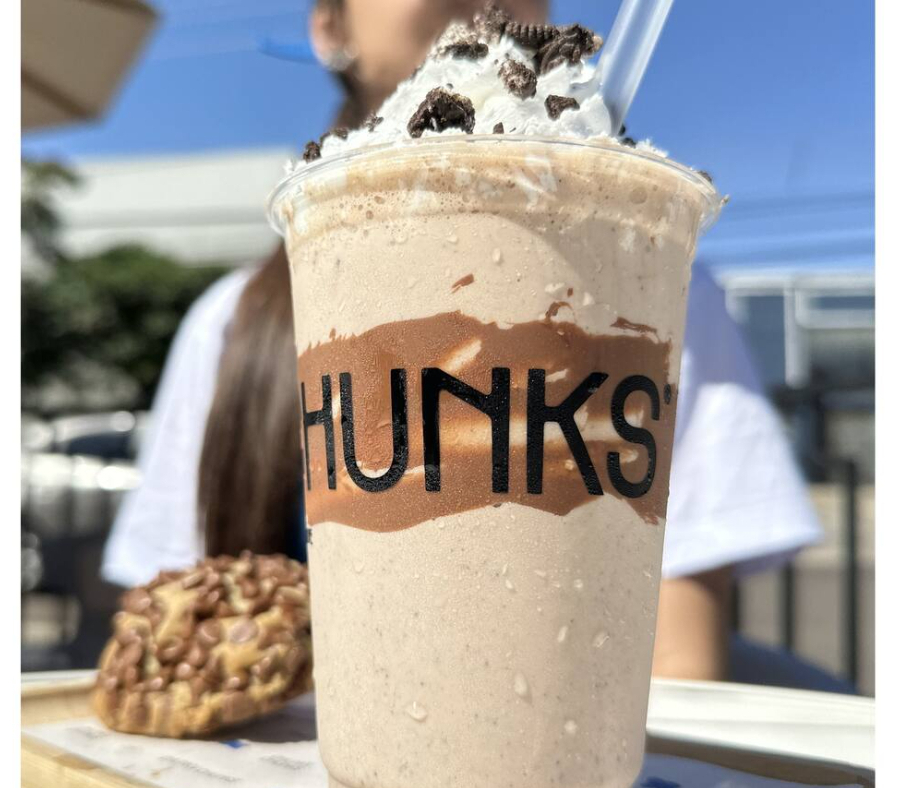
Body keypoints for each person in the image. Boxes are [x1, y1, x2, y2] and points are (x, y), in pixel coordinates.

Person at [102, 0, 822, 683]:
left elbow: (676, 659)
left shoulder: (655, 297)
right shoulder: (226, 327)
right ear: (329, 27)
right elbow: (173, 637)